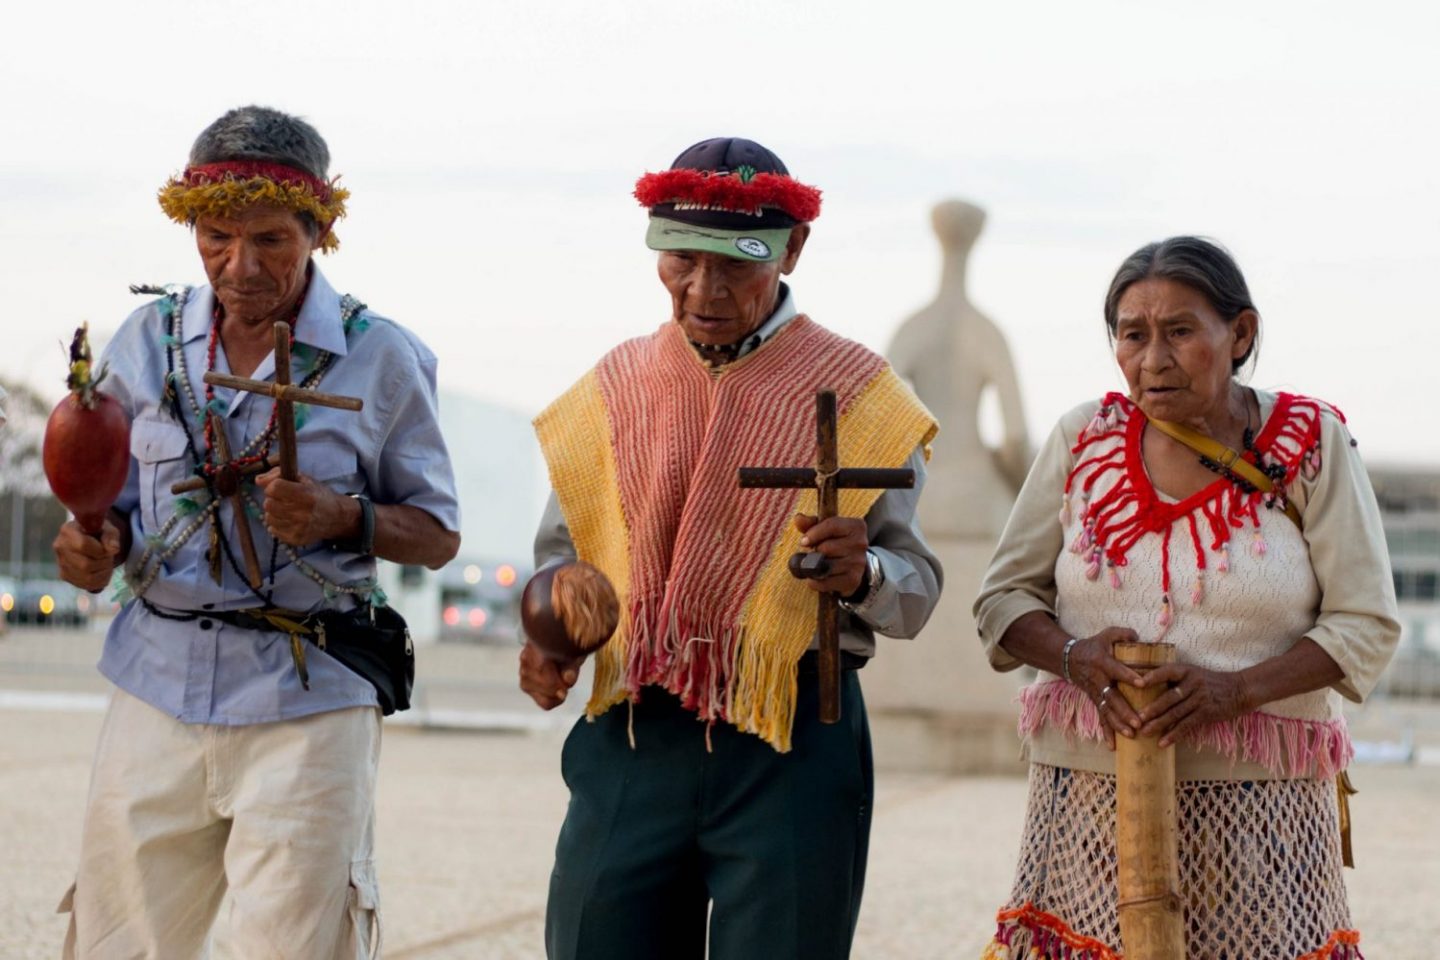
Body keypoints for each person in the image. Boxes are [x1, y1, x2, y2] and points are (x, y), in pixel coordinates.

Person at [51, 105, 461, 958]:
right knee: (117, 943)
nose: (239, 266)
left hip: (308, 702)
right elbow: (108, 505)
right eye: (216, 237)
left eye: (270, 240)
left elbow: (436, 534)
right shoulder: (148, 338)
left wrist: (343, 516)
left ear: (318, 231)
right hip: (153, 686)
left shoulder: (382, 356)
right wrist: (92, 543)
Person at [519, 137, 942, 960]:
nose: (703, 290)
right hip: (634, 730)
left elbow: (915, 592)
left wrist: (863, 574)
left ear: (793, 249)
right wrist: (551, 642)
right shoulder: (617, 387)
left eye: (736, 265)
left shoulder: (864, 395)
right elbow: (563, 558)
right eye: (681, 261)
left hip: (794, 735)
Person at [973, 236, 1400, 959]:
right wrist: (1077, 659)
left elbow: (1365, 623)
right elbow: (1002, 601)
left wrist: (1235, 691)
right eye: (1132, 335)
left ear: (1241, 334)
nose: (1153, 359)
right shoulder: (1083, 438)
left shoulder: (1310, 445)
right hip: (1086, 801)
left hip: (1264, 808)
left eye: (1179, 332)